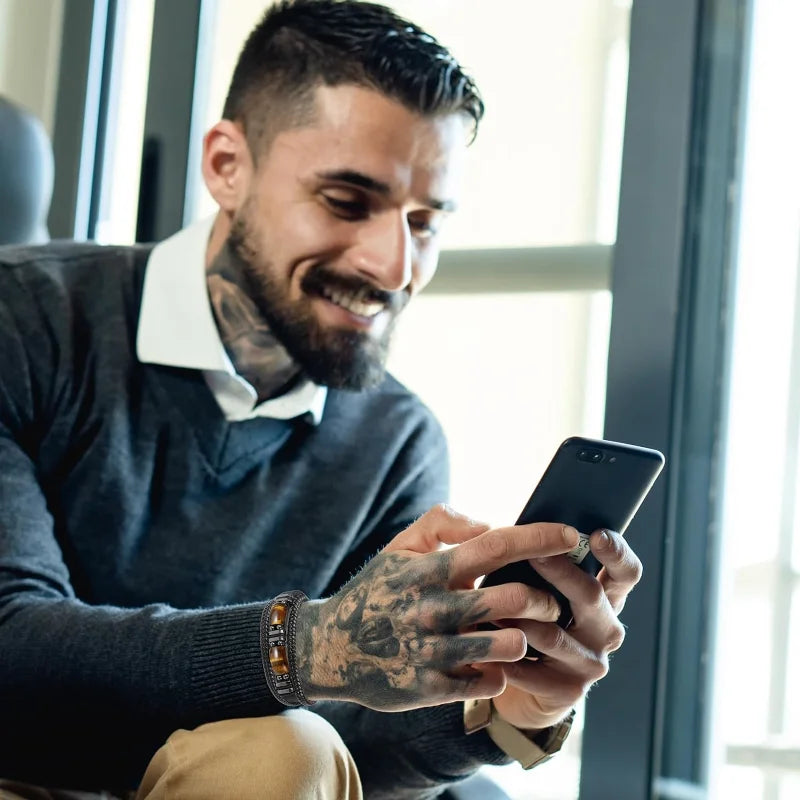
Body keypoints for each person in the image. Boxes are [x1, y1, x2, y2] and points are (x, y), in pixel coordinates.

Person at [0, 1, 641, 798]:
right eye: (347, 201)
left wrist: (501, 706)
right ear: (227, 166)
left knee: (302, 755)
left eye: (424, 222)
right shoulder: (22, 321)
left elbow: (351, 751)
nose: (393, 265)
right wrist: (305, 646)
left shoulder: (394, 436)